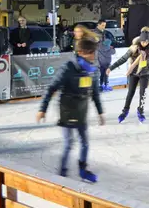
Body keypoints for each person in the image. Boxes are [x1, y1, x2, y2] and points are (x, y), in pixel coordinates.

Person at [36, 31, 105, 182]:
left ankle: (82, 169)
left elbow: (94, 93)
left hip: (81, 110)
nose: (94, 56)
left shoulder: (91, 70)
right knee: (69, 144)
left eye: (94, 52)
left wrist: (100, 112)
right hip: (67, 109)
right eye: (91, 53)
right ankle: (62, 172)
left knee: (85, 143)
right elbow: (51, 88)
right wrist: (43, 109)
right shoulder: (68, 68)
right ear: (81, 53)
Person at [107, 27, 149, 123]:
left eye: (146, 42)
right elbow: (123, 59)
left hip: (145, 74)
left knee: (143, 94)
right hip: (134, 73)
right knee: (130, 93)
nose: (144, 43)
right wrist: (111, 68)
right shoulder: (133, 48)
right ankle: (125, 111)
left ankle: (140, 111)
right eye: (143, 41)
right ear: (140, 40)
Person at [95, 20, 115, 92]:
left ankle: (103, 85)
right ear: (98, 25)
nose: (104, 27)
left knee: (104, 71)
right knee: (104, 70)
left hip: (103, 55)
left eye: (105, 25)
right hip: (101, 55)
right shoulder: (96, 33)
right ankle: (103, 85)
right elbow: (99, 45)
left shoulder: (101, 32)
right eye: (103, 25)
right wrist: (108, 48)